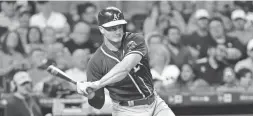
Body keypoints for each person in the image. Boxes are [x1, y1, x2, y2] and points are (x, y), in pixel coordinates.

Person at [76, 7, 175, 116]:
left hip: (155, 102)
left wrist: (97, 84)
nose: (118, 31)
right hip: (126, 110)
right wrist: (89, 93)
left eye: (120, 27)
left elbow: (125, 68)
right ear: (101, 29)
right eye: (112, 28)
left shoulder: (135, 39)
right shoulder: (95, 62)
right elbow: (98, 103)